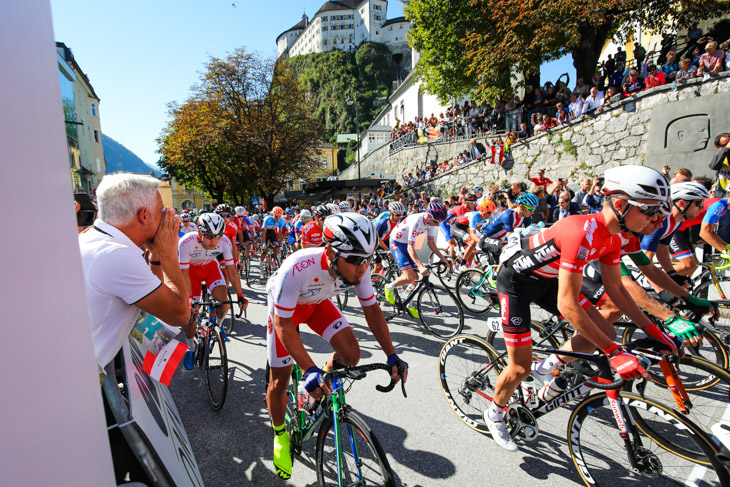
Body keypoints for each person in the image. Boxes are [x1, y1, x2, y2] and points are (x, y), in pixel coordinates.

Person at [485, 165, 675, 452]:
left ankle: (546, 367)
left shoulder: (615, 236)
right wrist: (614, 353)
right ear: (621, 205)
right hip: (516, 283)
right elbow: (567, 304)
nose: (658, 220)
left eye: (660, 211)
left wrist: (656, 330)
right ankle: (495, 413)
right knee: (519, 367)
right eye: (650, 211)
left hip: (547, 280)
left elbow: (616, 290)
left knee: (605, 328)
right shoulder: (581, 230)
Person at [266, 213, 408, 479]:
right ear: (331, 252)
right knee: (279, 383)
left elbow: (373, 311)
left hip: (317, 304)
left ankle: (314, 386)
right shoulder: (297, 268)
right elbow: (284, 325)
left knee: (352, 354)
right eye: (355, 260)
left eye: (368, 259)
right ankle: (280, 435)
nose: (363, 267)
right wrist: (307, 368)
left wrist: (392, 355)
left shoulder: (358, 267)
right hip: (285, 313)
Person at [79, 172, 191, 373]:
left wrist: (156, 256)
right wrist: (169, 255)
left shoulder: (93, 239)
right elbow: (180, 314)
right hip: (87, 380)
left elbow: (153, 301)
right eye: (161, 211)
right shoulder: (117, 256)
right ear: (145, 215)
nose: (166, 216)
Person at [178, 212, 246, 367]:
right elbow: (183, 273)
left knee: (225, 303)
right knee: (191, 315)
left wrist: (240, 295)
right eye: (208, 235)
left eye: (218, 235)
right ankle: (190, 348)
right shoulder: (186, 242)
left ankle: (219, 327)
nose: (214, 240)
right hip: (191, 274)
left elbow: (232, 270)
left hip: (210, 269)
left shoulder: (225, 242)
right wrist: (189, 298)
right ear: (200, 232)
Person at [384, 201, 450, 317]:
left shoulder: (430, 223)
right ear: (429, 215)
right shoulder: (416, 220)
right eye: (436, 222)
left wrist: (443, 258)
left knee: (416, 277)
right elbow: (410, 247)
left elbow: (431, 243)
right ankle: (389, 287)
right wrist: (420, 265)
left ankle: (407, 301)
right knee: (409, 276)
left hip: (407, 244)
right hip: (397, 243)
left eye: (440, 222)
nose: (437, 225)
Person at [373, 201, 406, 275]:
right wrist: (388, 250)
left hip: (386, 240)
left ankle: (383, 272)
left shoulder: (400, 221)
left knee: (393, 258)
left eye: (401, 214)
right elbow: (379, 240)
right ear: (391, 213)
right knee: (378, 267)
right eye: (398, 215)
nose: (400, 216)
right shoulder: (383, 223)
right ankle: (372, 282)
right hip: (375, 242)